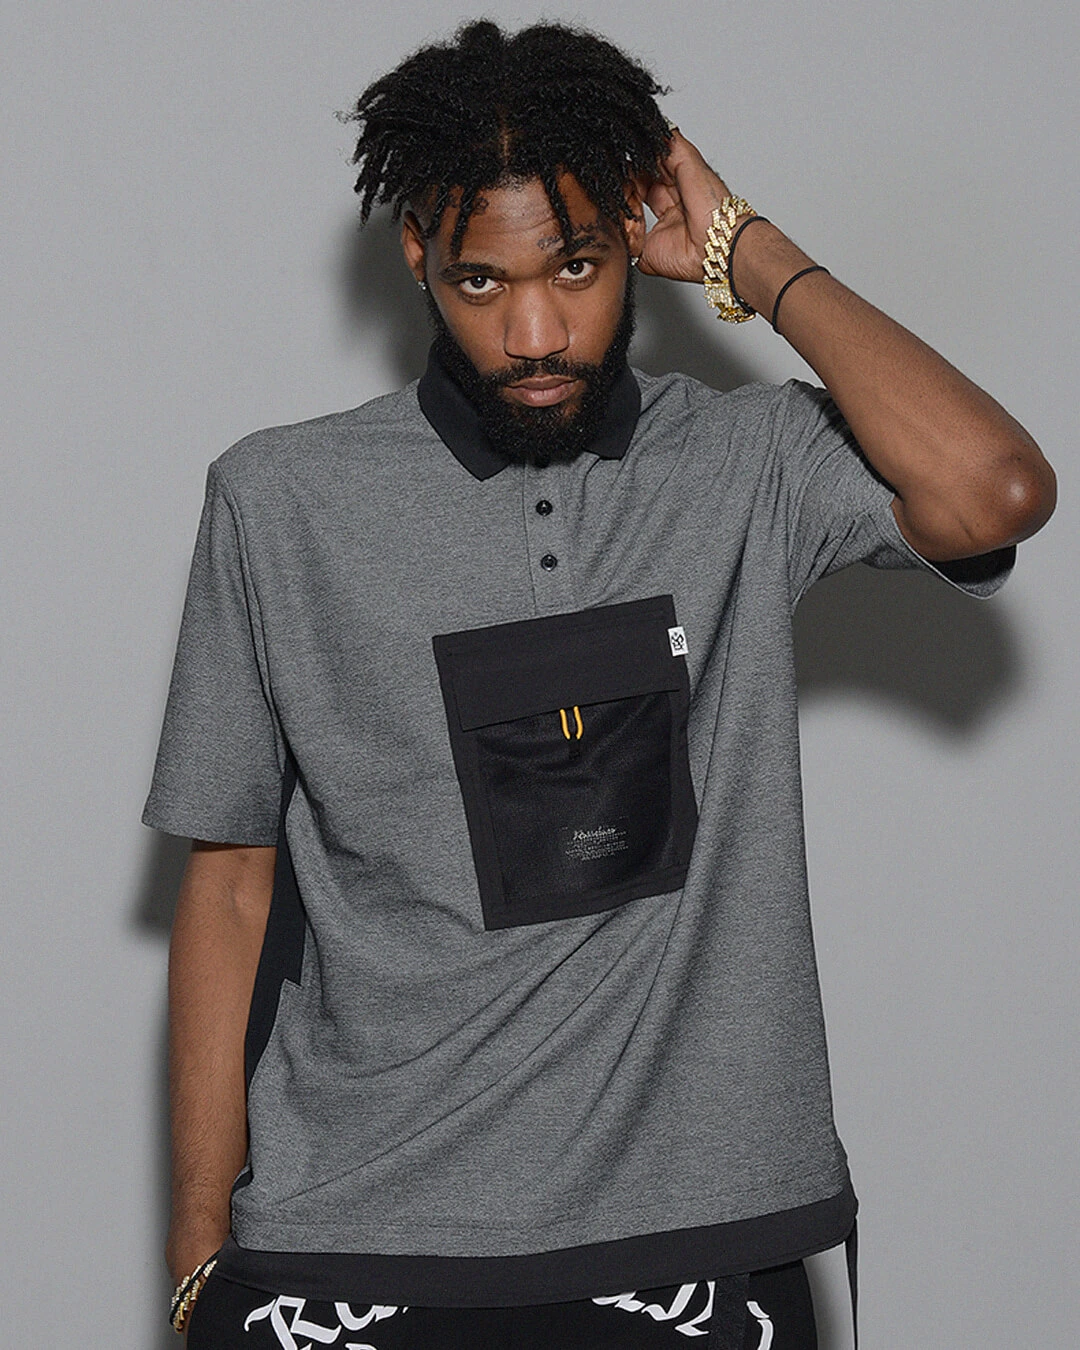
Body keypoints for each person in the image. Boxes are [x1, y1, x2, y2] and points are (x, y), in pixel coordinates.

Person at [143, 20, 1055, 1349]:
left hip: (694, 1233)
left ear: (634, 234)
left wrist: (745, 247)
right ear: (416, 255)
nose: (533, 333)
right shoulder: (278, 501)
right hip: (356, 1230)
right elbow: (230, 882)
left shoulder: (748, 465)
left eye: (574, 266)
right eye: (479, 280)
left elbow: (995, 490)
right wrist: (193, 1254)